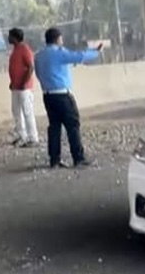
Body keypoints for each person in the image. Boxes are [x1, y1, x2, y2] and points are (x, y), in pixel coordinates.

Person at [34, 27, 102, 169]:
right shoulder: (59, 53)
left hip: (47, 95)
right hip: (62, 95)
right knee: (73, 126)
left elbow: (39, 74)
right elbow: (79, 56)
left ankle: (54, 160)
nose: (62, 41)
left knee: (54, 127)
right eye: (61, 38)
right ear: (57, 38)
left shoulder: (39, 55)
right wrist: (95, 52)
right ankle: (78, 158)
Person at [7, 28, 39, 147]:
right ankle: (21, 135)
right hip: (16, 87)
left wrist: (25, 83)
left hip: (24, 88)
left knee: (27, 112)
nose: (8, 38)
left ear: (15, 37)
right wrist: (13, 82)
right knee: (16, 112)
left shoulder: (24, 49)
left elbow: (30, 67)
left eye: (10, 36)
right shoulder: (15, 50)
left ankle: (33, 138)